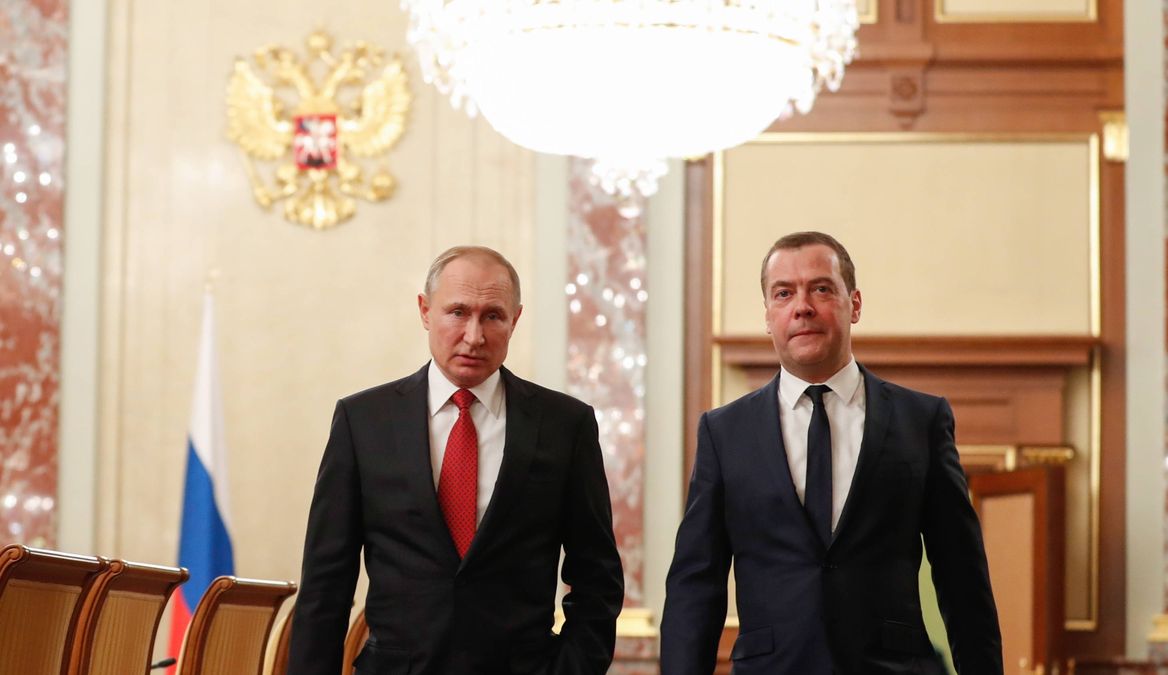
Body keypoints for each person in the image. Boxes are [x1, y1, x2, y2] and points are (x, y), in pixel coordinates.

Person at [660, 232, 1002, 674]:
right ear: (768, 316)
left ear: (854, 304)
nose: (802, 306)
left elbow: (962, 576)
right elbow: (695, 585)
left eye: (820, 289)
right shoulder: (724, 433)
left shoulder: (921, 420)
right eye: (783, 293)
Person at [288, 246, 624, 675]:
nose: (474, 336)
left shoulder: (565, 425)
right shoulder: (364, 421)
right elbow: (326, 584)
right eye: (458, 312)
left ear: (515, 320)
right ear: (425, 311)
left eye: (493, 316)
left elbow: (597, 576)